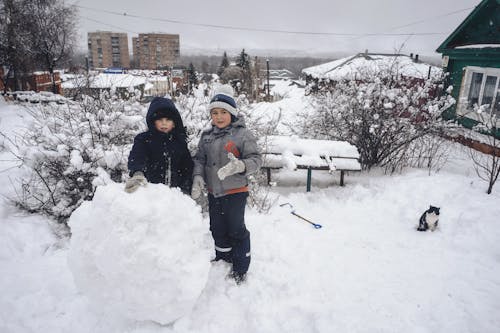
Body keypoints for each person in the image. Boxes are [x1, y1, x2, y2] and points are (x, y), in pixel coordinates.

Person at [191, 85, 262, 284]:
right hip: (214, 192)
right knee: (217, 228)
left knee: (236, 229)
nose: (219, 117)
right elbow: (199, 160)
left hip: (236, 191)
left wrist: (240, 165)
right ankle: (223, 258)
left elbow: (256, 160)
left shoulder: (243, 135)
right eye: (215, 113)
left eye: (223, 112)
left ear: (232, 113)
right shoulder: (206, 137)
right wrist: (198, 177)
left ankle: (240, 268)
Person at [126, 97, 193, 194]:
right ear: (153, 121)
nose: (164, 123)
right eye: (160, 119)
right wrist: (138, 172)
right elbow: (137, 156)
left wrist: (186, 187)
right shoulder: (144, 140)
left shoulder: (179, 142)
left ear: (174, 123)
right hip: (151, 192)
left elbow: (187, 167)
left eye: (168, 119)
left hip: (175, 194)